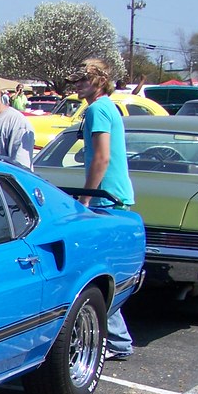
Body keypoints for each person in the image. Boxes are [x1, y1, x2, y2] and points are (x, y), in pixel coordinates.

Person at [66, 58, 136, 360]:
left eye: (84, 79)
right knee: (101, 265)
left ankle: (118, 342)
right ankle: (118, 339)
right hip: (114, 195)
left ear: (99, 80)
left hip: (107, 198)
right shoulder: (107, 107)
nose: (79, 85)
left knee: (97, 267)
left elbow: (102, 158)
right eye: (77, 80)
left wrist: (87, 198)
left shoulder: (97, 109)